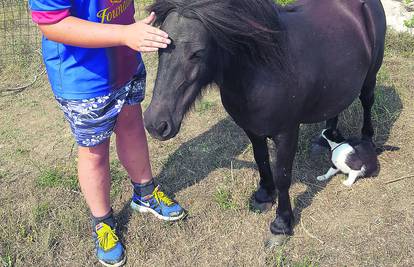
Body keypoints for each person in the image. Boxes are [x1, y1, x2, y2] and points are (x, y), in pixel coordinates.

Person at [29, 1, 186, 266]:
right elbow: (52, 23)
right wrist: (125, 35)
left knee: (132, 127)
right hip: (84, 76)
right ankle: (102, 221)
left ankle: (145, 193)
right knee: (94, 150)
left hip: (125, 60)